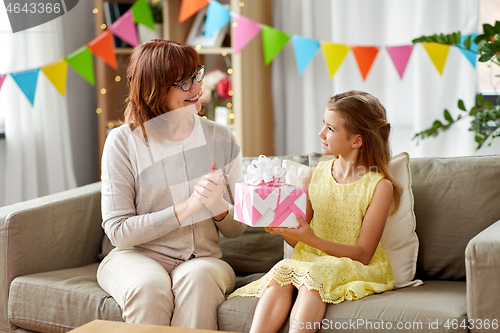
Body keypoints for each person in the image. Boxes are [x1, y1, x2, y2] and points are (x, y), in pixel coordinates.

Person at [97, 39, 246, 330]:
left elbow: (236, 229)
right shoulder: (123, 142)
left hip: (202, 259)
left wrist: (217, 205)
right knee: (148, 287)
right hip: (135, 256)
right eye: (184, 83)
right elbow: (118, 231)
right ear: (154, 90)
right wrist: (188, 207)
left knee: (200, 278)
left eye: (197, 76)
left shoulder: (222, 138)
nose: (197, 89)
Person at [229, 90, 403, 333]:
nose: (321, 133)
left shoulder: (379, 186)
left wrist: (310, 239)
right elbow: (301, 234)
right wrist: (281, 227)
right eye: (324, 125)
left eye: (330, 129)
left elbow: (363, 254)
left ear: (357, 140)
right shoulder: (314, 174)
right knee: (282, 270)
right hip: (310, 259)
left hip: (352, 264)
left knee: (312, 279)